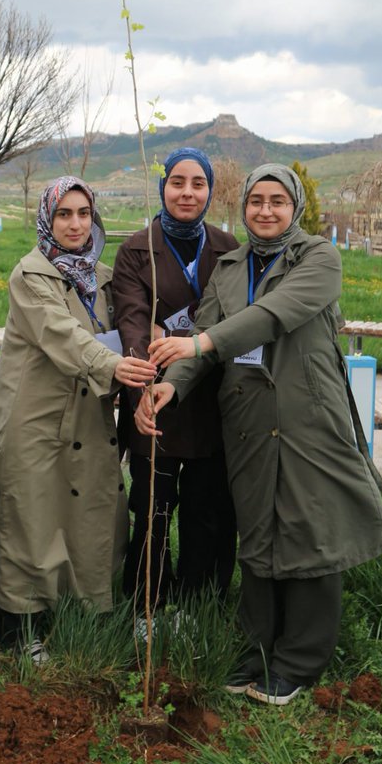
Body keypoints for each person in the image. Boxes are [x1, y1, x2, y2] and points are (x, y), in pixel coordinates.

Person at [137, 163, 382, 705]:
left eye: (277, 200)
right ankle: (256, 650)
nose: (266, 210)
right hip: (249, 417)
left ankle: (299, 661)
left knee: (309, 526)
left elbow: (273, 315)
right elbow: (204, 338)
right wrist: (173, 387)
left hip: (309, 416)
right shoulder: (229, 267)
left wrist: (199, 345)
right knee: (257, 528)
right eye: (256, 200)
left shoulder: (318, 258)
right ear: (244, 207)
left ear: (294, 205)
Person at [0, 176, 157, 663]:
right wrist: (114, 367)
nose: (75, 223)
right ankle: (17, 625)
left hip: (87, 417)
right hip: (35, 416)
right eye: (63, 214)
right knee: (29, 516)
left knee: (86, 512)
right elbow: (59, 332)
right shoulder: (30, 275)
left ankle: (80, 608)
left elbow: (128, 326)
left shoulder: (102, 278)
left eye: (83, 213)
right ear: (47, 218)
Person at [112, 147, 238, 628]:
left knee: (210, 512)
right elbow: (132, 320)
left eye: (198, 184)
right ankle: (148, 606)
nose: (188, 192)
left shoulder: (228, 249)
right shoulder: (136, 248)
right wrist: (149, 357)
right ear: (163, 186)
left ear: (209, 191)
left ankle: (200, 605)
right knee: (152, 512)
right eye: (178, 182)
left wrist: (181, 339)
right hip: (153, 397)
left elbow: (233, 321)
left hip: (212, 400)